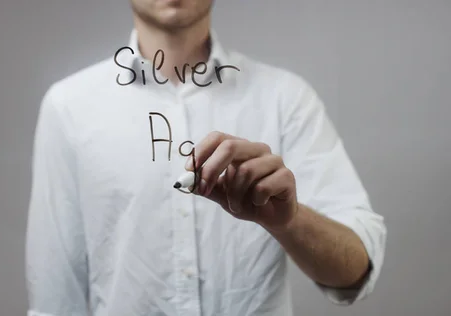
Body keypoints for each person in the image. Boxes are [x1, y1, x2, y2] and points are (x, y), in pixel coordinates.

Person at [25, 1, 387, 315]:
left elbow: (356, 270)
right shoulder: (69, 108)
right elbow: (54, 304)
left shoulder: (285, 99)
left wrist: (288, 222)